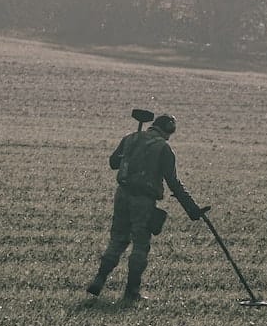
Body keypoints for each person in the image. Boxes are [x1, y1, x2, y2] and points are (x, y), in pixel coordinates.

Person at [85, 112, 206, 303]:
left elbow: (113, 163)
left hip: (122, 195)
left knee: (117, 239)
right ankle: (131, 291)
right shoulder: (163, 148)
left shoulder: (131, 138)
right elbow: (173, 182)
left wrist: (130, 153)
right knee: (140, 244)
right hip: (143, 200)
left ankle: (99, 280)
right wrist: (192, 209)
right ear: (167, 130)